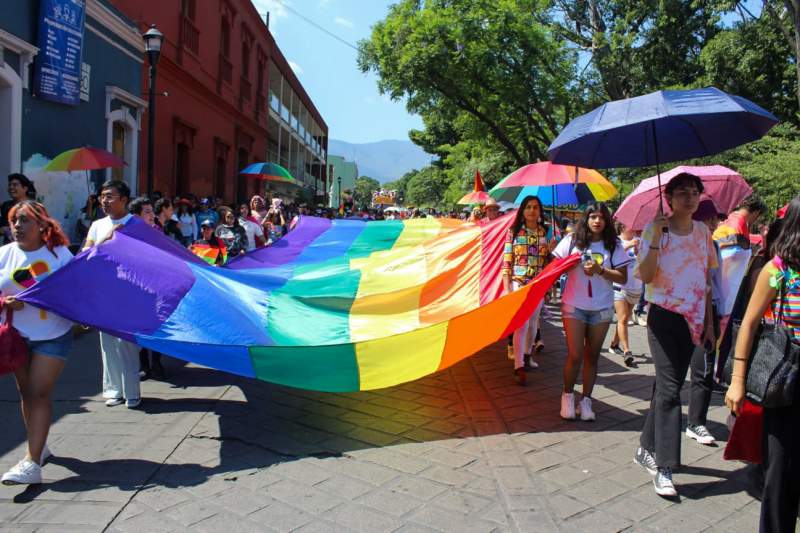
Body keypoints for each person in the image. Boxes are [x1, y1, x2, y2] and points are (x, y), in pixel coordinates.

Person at [633, 173, 717, 498]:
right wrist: (655, 237)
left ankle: (645, 446)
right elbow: (644, 275)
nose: (689, 197)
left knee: (666, 388)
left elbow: (706, 282)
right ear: (669, 197)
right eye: (682, 192)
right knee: (670, 390)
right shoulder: (657, 229)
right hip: (664, 318)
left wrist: (709, 324)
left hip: (694, 320)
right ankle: (665, 467)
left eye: (694, 192)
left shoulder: (703, 232)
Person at [725, 196, 800, 532]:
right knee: (780, 478)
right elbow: (750, 324)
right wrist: (738, 380)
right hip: (786, 380)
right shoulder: (777, 271)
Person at [0, 201, 73, 485]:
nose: (17, 226)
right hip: (15, 338)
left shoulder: (60, 255)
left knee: (39, 393)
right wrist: (5, 302)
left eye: (24, 220)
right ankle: (39, 445)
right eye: (14, 220)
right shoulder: (4, 255)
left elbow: (76, 292)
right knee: (26, 393)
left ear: (42, 225)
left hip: (52, 336)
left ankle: (32, 463)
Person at [553, 202, 630, 421]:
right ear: (585, 219)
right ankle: (567, 396)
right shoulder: (571, 241)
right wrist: (566, 264)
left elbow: (623, 278)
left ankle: (586, 401)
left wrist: (601, 270)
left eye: (602, 217)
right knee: (575, 355)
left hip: (602, 308)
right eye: (593, 216)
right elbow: (555, 267)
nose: (597, 221)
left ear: (607, 221)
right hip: (574, 305)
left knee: (592, 357)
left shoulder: (614, 245)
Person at [84, 180, 141, 409]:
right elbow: (85, 254)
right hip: (104, 291)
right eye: (102, 196)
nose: (104, 201)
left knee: (126, 342)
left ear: (124, 200)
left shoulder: (135, 224)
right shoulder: (97, 225)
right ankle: (113, 390)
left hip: (128, 291)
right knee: (107, 342)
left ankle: (132, 391)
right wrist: (106, 242)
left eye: (109, 196)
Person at [502, 195, 554, 385]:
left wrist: (552, 251)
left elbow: (548, 263)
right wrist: (508, 289)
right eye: (528, 207)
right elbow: (506, 262)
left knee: (533, 324)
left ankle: (526, 354)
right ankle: (518, 365)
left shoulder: (545, 232)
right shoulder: (513, 232)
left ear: (540, 212)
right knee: (521, 324)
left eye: (535, 207)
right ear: (522, 211)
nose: (532, 210)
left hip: (538, 284)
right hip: (519, 283)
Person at [685, 198, 724, 445]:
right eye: (709, 219)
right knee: (671, 376)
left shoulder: (716, 246)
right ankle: (657, 424)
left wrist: (711, 322)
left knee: (703, 370)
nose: (713, 224)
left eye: (714, 219)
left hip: (707, 313)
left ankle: (696, 422)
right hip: (678, 314)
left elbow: (712, 284)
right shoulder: (675, 242)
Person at [608, 222, 641, 367]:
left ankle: (614, 344)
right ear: (623, 226)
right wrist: (628, 246)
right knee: (622, 318)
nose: (633, 228)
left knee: (625, 317)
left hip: (636, 287)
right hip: (620, 286)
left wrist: (640, 252)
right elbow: (612, 259)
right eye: (631, 226)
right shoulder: (616, 241)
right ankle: (627, 351)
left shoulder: (639, 240)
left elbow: (644, 261)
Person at [1, 174, 37, 244]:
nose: (11, 187)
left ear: (25, 188)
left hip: (29, 247)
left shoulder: (34, 207)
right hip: (10, 248)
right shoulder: (5, 205)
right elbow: (2, 225)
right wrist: (3, 230)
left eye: (15, 185)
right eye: (10, 185)